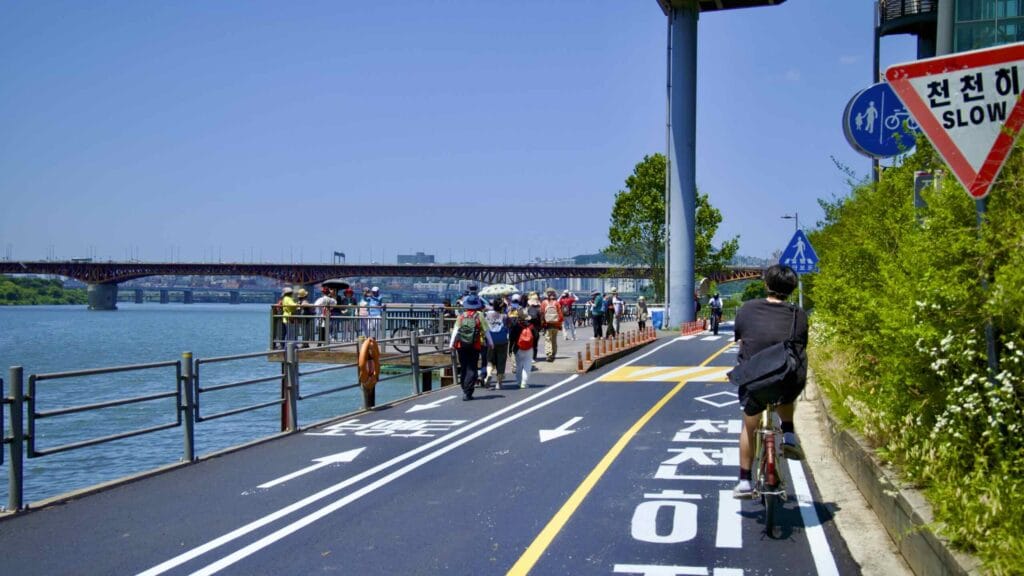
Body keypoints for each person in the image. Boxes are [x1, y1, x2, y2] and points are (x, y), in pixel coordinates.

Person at [731, 264, 809, 499]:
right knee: (786, 387)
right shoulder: (798, 314)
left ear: (766, 284)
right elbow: (801, 346)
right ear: (792, 288)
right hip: (787, 380)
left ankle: (745, 481)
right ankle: (788, 433)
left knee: (749, 426)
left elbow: (740, 338)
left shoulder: (747, 309)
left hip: (755, 380)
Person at [448, 294, 492, 400]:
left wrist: (451, 344)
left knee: (464, 367)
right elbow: (486, 330)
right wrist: (491, 342)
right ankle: (468, 392)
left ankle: (464, 388)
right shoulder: (479, 315)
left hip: (461, 345)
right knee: (472, 367)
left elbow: (456, 330)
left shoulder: (461, 316)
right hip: (474, 345)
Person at [508, 299, 536, 389]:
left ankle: (518, 381)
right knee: (527, 366)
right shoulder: (531, 326)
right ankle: (524, 383)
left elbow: (511, 338)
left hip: (518, 348)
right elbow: (536, 336)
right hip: (529, 348)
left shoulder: (515, 326)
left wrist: (510, 349)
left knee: (519, 365)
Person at [484, 298, 509, 389]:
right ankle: (499, 383)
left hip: (491, 340)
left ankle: (489, 375)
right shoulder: (505, 316)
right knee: (501, 362)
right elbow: (508, 326)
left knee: (490, 360)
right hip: (502, 340)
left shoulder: (487, 314)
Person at [540, 288, 563, 362]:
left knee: (548, 339)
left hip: (548, 324)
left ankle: (549, 354)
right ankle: (553, 354)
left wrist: (543, 324)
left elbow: (542, 314)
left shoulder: (544, 303)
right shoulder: (557, 303)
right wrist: (559, 325)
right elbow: (560, 315)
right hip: (556, 324)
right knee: (554, 340)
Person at [524, 292, 543, 361]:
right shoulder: (539, 308)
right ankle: (533, 357)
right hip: (536, 328)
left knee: (528, 343)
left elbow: (524, 318)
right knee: (535, 343)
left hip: (528, 327)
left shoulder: (527, 308)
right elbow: (541, 319)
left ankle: (528, 357)